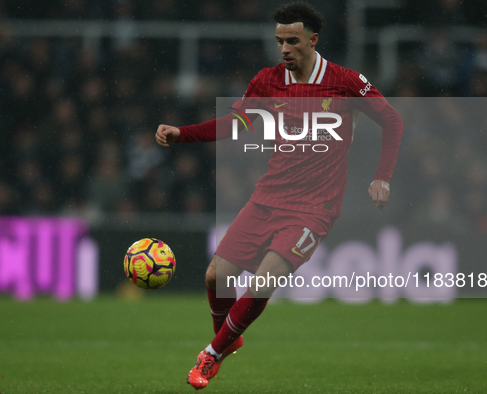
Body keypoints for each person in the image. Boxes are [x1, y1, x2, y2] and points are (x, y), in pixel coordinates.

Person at [155, 2, 403, 390]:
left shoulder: (346, 81)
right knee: (216, 276)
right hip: (268, 197)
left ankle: (212, 354)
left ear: (313, 40)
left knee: (262, 280)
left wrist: (382, 177)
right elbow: (236, 123)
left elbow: (392, 119)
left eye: (292, 41)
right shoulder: (268, 81)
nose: (284, 48)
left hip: (314, 208)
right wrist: (182, 133)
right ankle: (227, 336)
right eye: (279, 41)